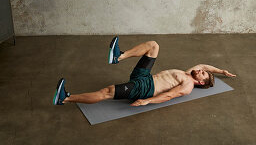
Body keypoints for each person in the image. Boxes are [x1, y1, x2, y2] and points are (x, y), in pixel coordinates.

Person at [53, 36, 236, 106]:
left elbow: (168, 96)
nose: (200, 69)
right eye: (202, 70)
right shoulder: (188, 73)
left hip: (144, 88)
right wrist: (221, 70)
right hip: (144, 77)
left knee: (106, 92)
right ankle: (119, 57)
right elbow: (204, 65)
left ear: (201, 82)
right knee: (153, 45)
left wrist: (146, 102)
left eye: (203, 73)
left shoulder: (187, 84)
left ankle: (65, 98)